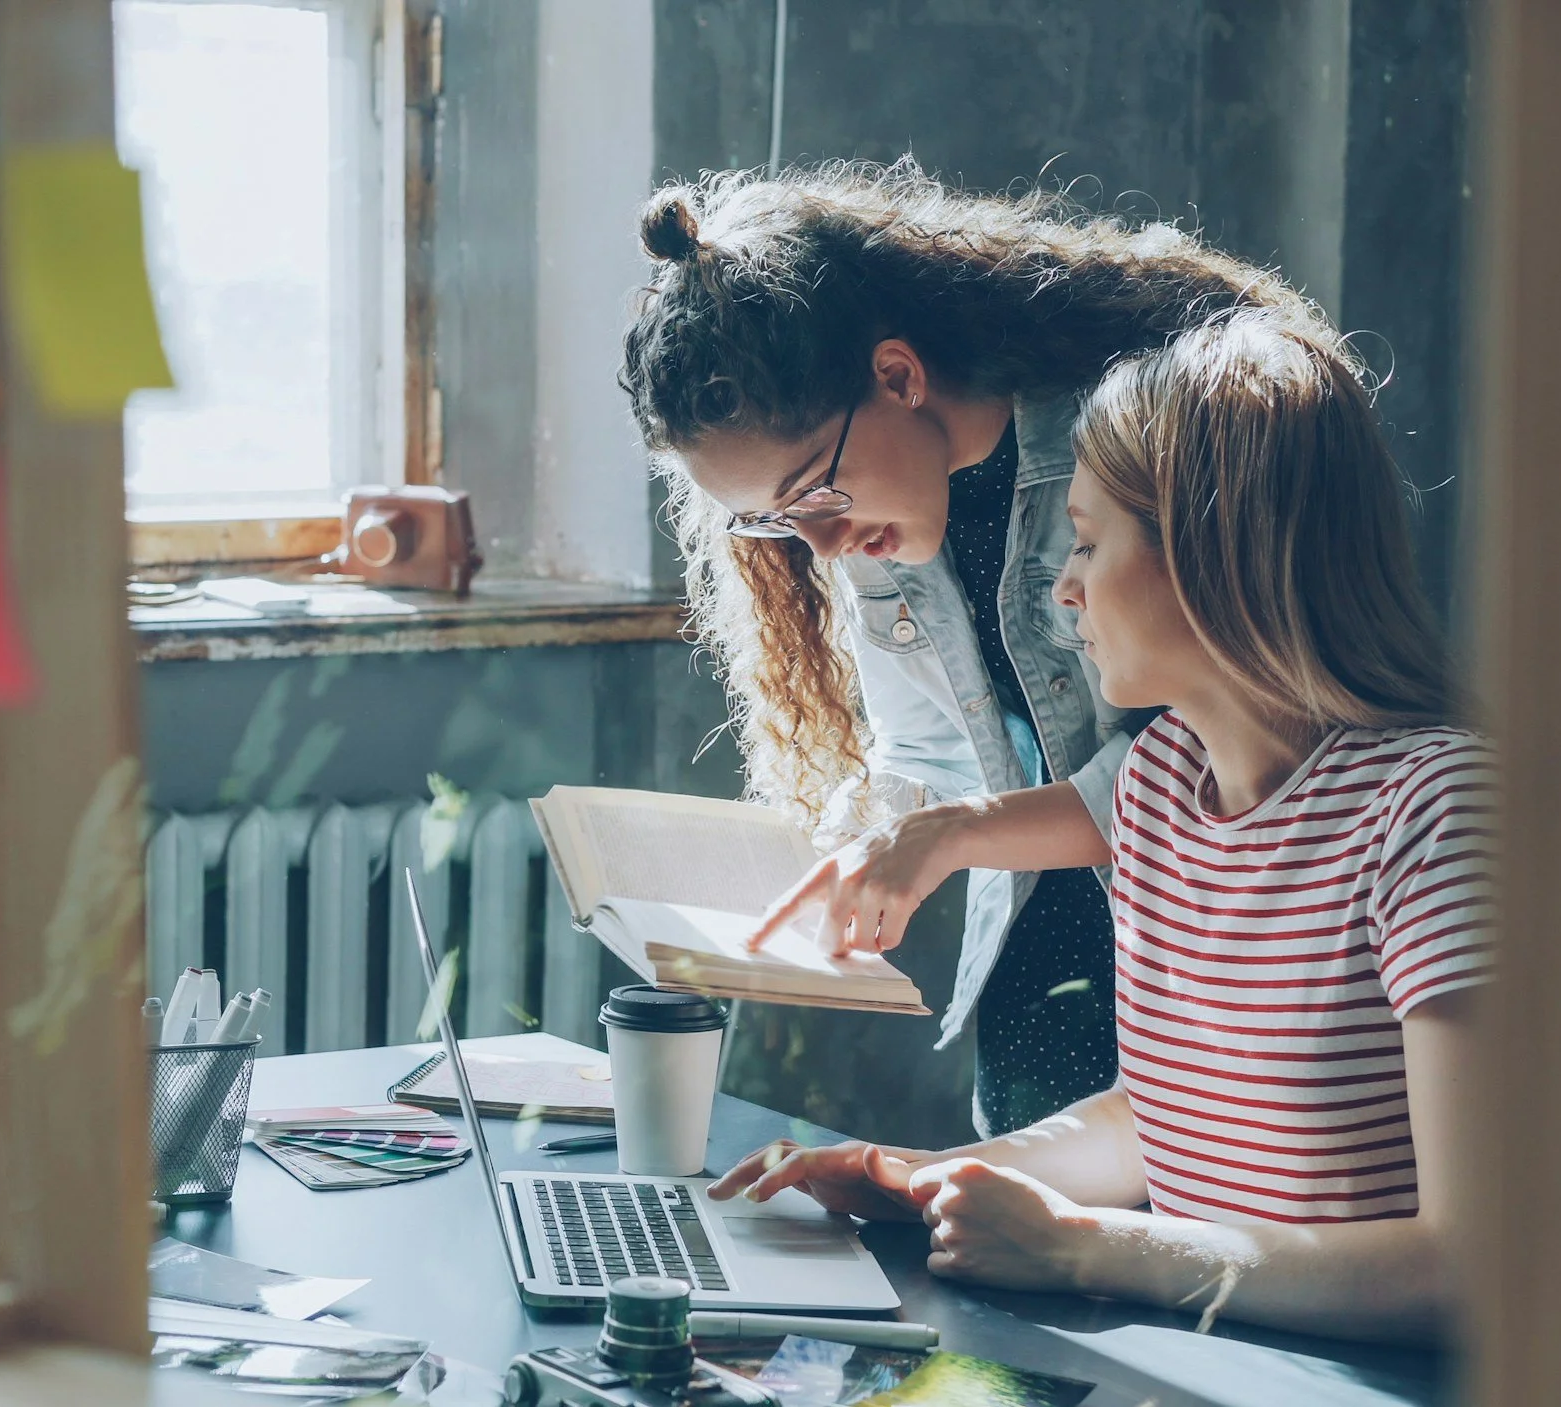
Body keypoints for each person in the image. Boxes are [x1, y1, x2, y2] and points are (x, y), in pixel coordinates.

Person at [708, 311, 1492, 1343]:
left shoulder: (1435, 811)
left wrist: (1086, 1248)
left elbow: (1469, 1266)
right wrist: (926, 1180)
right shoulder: (1158, 786)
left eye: (1086, 541)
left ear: (1213, 550)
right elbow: (1150, 1120)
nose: (1066, 589)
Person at [618, 161, 1327, 1136]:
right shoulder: (871, 522)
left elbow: (1216, 771)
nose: (819, 544)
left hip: (1203, 968)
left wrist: (942, 837)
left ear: (899, 377)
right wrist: (851, 843)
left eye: (815, 493)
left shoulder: (1128, 439)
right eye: (772, 522)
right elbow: (925, 760)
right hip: (1035, 980)